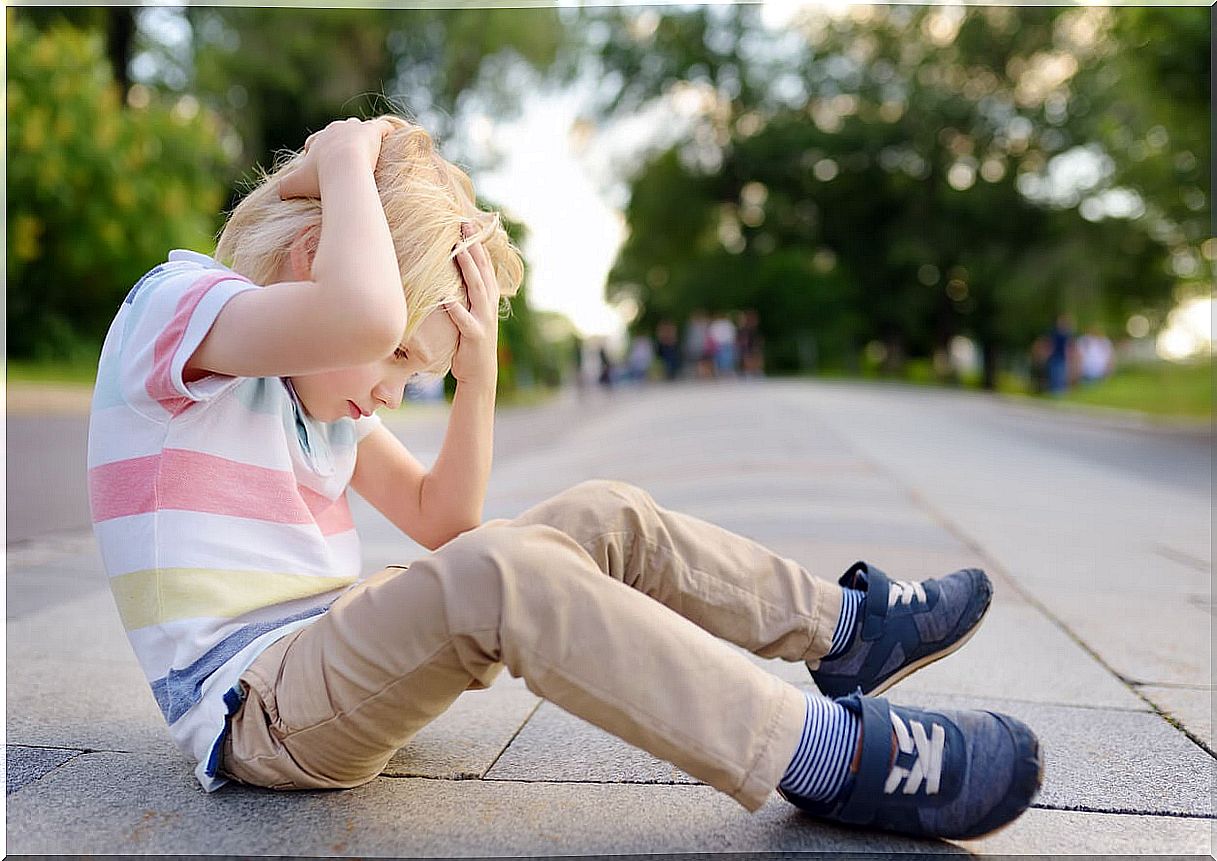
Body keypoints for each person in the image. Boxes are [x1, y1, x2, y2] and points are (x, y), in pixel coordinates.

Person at [87, 116, 1040, 841]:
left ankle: (845, 629)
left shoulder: (315, 398)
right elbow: (362, 316)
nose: (387, 395)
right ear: (313, 258)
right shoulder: (175, 314)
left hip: (328, 656)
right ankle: (832, 756)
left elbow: (441, 516)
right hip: (259, 709)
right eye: (397, 363)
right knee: (506, 576)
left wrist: (480, 375)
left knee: (602, 514)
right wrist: (342, 158)